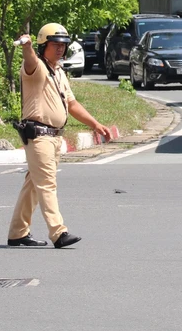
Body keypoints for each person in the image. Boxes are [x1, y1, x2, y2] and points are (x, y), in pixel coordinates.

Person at [8, 23, 113, 249]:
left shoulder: (59, 72)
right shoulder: (36, 68)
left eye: (63, 45)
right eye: (55, 44)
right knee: (47, 184)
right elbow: (29, 60)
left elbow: (72, 104)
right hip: (39, 136)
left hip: (54, 138)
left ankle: (17, 232)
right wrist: (27, 46)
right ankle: (58, 233)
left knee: (33, 186)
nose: (60, 49)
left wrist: (95, 124)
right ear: (43, 45)